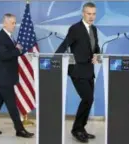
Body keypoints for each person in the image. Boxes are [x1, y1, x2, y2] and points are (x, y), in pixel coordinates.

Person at [0, 13, 34, 138]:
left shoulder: (9, 37)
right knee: (11, 105)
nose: (14, 25)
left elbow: (11, 52)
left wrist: (18, 49)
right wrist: (17, 50)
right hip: (4, 78)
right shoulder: (0, 37)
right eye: (12, 23)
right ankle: (19, 130)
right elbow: (4, 55)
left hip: (5, 77)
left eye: (15, 23)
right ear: (4, 23)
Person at [55, 2, 100, 143]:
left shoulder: (94, 29)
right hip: (77, 71)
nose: (91, 16)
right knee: (87, 98)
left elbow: (96, 48)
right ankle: (77, 130)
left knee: (89, 100)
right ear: (83, 13)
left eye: (93, 14)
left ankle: (81, 128)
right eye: (88, 13)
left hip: (89, 71)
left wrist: (97, 56)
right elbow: (64, 44)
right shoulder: (75, 28)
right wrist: (54, 61)